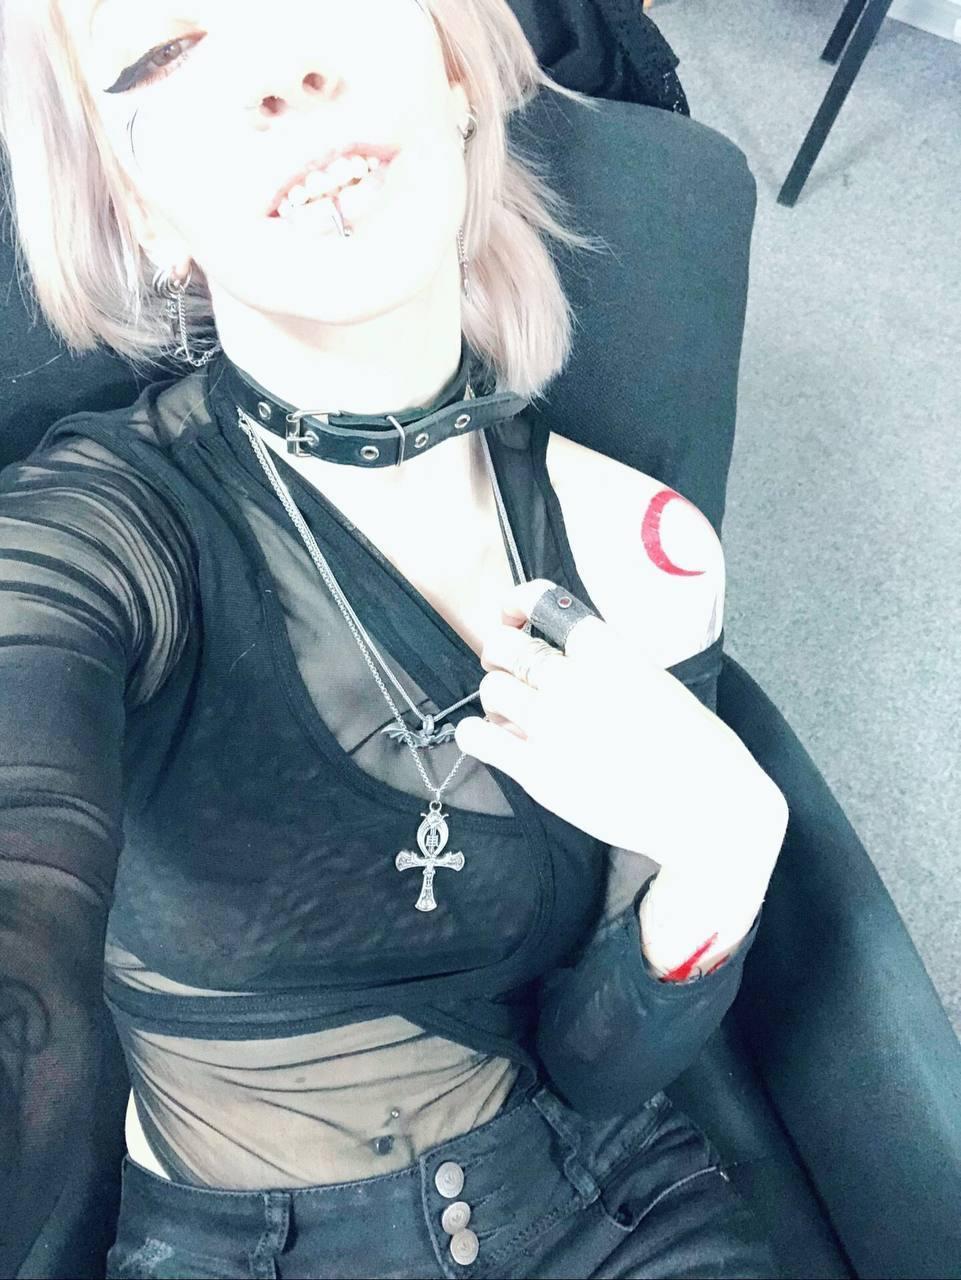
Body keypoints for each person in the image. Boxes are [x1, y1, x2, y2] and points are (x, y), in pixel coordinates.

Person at [0, 1, 787, 1276]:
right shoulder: (93, 538)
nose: (281, 69)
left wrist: (727, 855)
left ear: (457, 67)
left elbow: (596, 1068)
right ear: (141, 212)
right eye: (165, 52)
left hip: (601, 1208)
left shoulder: (648, 555)